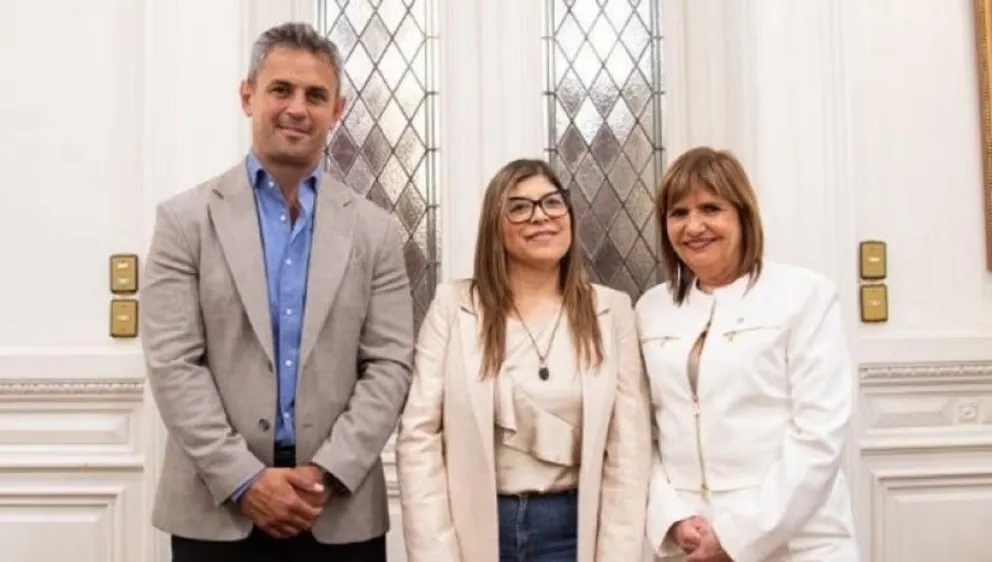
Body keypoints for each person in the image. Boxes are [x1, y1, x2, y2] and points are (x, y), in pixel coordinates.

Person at [140, 22, 414, 562]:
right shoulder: (183, 221)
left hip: (337, 509)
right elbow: (174, 364)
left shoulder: (376, 231)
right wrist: (245, 480)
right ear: (248, 96)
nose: (297, 108)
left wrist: (326, 473)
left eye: (316, 95)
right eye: (280, 89)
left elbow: (390, 364)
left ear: (337, 110)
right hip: (216, 511)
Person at [395, 158, 652, 562]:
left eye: (553, 202)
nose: (540, 217)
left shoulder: (611, 310)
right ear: (495, 225)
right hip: (476, 530)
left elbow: (629, 449)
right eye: (519, 207)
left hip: (573, 532)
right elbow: (418, 437)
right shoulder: (453, 306)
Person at [636, 146, 859, 562]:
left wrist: (736, 536)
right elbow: (641, 432)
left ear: (742, 214)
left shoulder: (804, 294)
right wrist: (673, 519)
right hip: (689, 542)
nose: (694, 226)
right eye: (678, 213)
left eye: (711, 208)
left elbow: (819, 434)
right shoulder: (650, 308)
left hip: (794, 541)